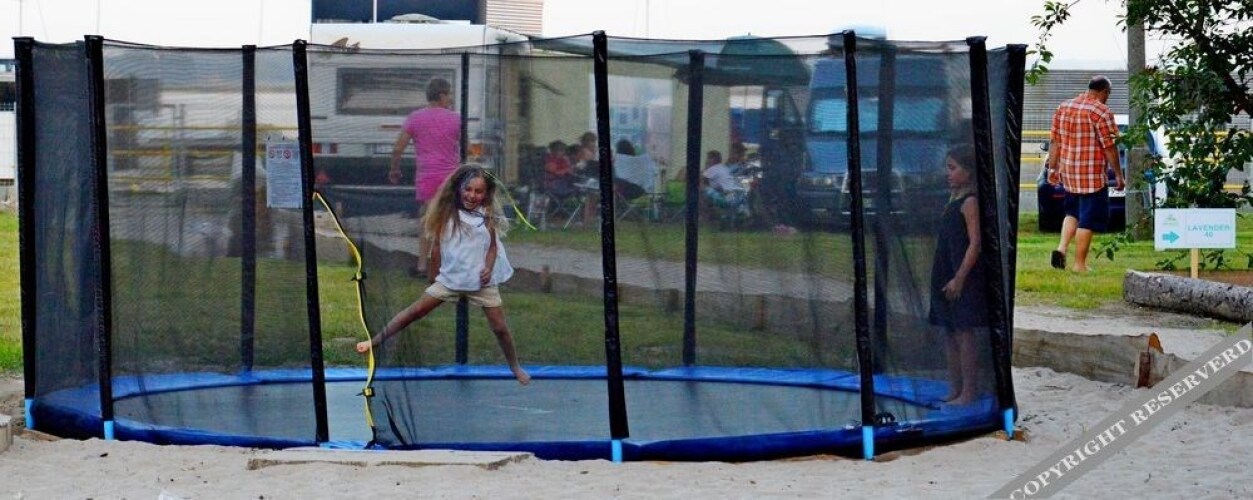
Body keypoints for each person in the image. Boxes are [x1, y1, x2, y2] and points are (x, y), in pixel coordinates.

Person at [358, 164, 531, 385]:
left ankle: (515, 366)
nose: (472, 195)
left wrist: (488, 268)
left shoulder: (486, 216)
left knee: (500, 328)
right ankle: (375, 340)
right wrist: (433, 276)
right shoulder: (447, 214)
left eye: (478, 191)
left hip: (481, 282)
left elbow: (492, 247)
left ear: (486, 194)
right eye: (468, 189)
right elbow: (437, 247)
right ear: (459, 189)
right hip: (450, 280)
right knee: (415, 311)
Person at [1046, 75, 1124, 273]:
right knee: (1088, 219)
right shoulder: (1101, 112)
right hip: (1091, 176)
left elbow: (1054, 141)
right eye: (1108, 94)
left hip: (1069, 173)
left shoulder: (1063, 107)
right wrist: (1118, 174)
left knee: (1072, 213)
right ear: (1104, 91)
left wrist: (1052, 168)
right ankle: (1079, 264)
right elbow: (1109, 147)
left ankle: (1061, 249)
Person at [928, 144, 986, 405]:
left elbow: (976, 243)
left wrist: (960, 277)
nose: (948, 173)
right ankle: (955, 388)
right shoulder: (953, 199)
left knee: (964, 332)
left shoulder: (969, 202)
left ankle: (969, 392)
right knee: (949, 332)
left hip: (962, 274)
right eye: (947, 168)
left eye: (953, 168)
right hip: (945, 271)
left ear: (969, 171)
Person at [388, 77, 461, 275]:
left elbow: (398, 149)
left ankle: (422, 265)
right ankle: (446, 266)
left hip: (427, 177)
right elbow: (467, 148)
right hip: (450, 177)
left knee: (427, 221)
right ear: (442, 95)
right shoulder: (456, 119)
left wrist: (394, 169)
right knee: (448, 220)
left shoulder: (415, 118)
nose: (451, 99)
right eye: (449, 94)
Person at [701, 149, 748, 217]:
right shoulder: (724, 168)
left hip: (728, 199)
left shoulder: (713, 169)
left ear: (712, 159)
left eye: (708, 158)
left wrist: (706, 167)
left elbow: (700, 178)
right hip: (739, 197)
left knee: (701, 187)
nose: (706, 160)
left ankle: (704, 215)